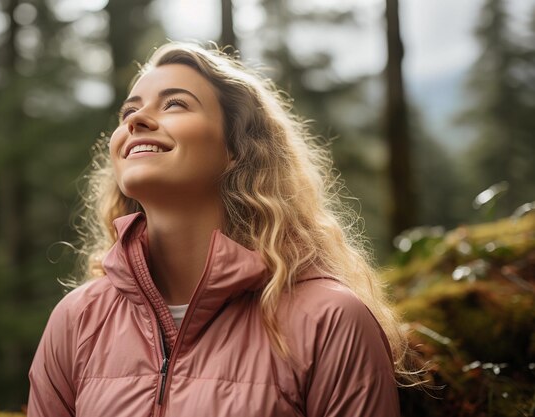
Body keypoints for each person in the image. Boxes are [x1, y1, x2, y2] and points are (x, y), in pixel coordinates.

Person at [27, 41, 418, 416]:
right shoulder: (77, 320)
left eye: (175, 104)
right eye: (128, 111)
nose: (136, 120)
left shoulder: (330, 319)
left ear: (237, 147)